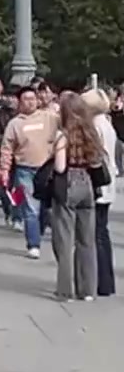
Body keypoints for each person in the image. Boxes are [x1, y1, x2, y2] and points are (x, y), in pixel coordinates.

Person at [48, 91, 104, 302]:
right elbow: (97, 163)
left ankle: (65, 291)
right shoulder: (91, 133)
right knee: (86, 240)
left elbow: (60, 167)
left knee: (65, 241)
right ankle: (87, 289)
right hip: (87, 184)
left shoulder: (63, 135)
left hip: (69, 184)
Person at [0, 85, 58, 260]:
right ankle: (33, 244)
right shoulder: (15, 124)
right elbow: (7, 149)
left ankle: (37, 231)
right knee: (31, 208)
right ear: (19, 102)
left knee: (45, 209)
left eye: (33, 98)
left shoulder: (50, 118)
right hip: (25, 169)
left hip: (47, 169)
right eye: (26, 99)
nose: (30, 102)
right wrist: (4, 170)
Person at [83, 90, 116, 298]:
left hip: (98, 183)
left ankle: (98, 280)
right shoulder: (106, 122)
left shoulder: (94, 124)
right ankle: (106, 281)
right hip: (108, 181)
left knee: (96, 234)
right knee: (102, 233)